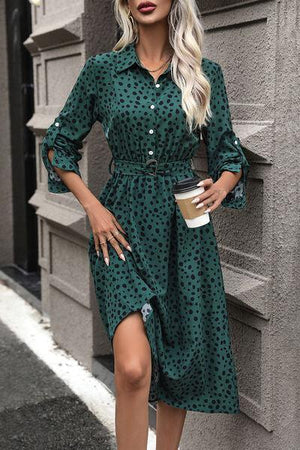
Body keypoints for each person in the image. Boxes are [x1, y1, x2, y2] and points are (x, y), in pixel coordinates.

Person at [41, 0, 250, 448]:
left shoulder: (203, 72)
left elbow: (228, 151)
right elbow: (59, 144)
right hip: (118, 228)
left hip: (184, 228)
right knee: (134, 368)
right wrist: (93, 208)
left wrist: (222, 183)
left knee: (178, 358)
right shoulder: (103, 71)